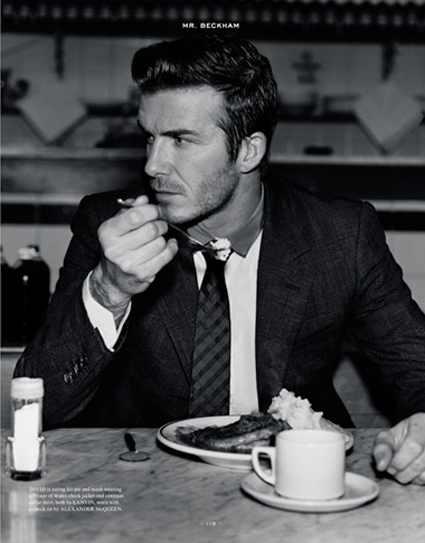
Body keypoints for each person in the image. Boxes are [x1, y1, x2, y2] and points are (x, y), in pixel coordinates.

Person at [14, 35, 425, 485]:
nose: (153, 165)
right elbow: (42, 404)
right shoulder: (109, 226)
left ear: (249, 151)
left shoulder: (340, 233)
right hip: (145, 483)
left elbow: (415, 363)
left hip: (296, 480)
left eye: (180, 140)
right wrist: (108, 289)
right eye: (149, 137)